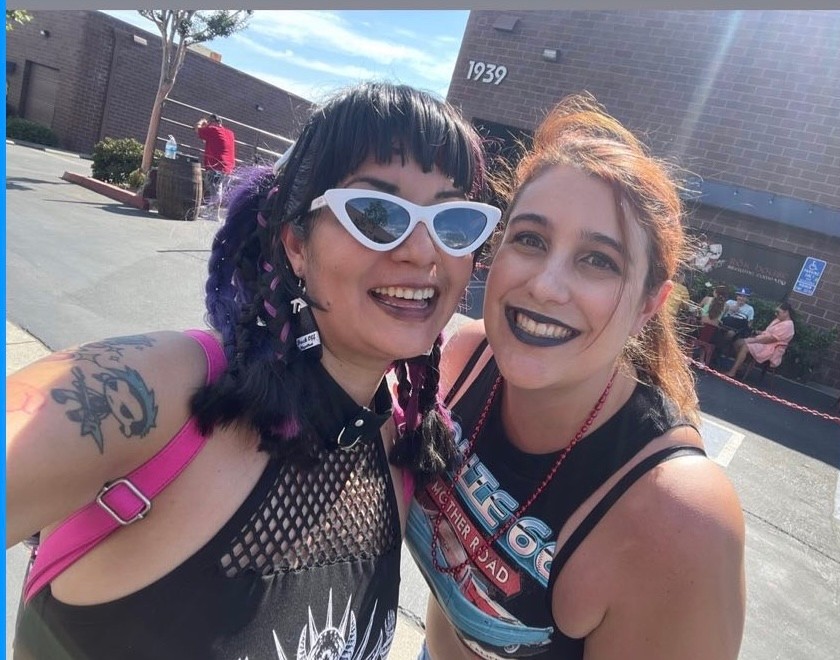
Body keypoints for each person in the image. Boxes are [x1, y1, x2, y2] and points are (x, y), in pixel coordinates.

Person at [7, 82, 500, 659]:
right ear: (296, 244)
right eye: (376, 214)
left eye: (453, 221)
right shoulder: (162, 392)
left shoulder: (396, 442)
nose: (422, 251)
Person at [406, 93, 745, 659]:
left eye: (598, 260)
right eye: (530, 239)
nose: (545, 285)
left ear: (647, 306)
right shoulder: (463, 359)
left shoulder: (680, 520)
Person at [724, 302, 796, 378]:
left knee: (745, 346)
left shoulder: (788, 325)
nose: (776, 314)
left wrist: (753, 340)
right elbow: (768, 333)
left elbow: (771, 339)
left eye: (778, 312)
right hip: (763, 341)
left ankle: (733, 371)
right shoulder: (778, 320)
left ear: (786, 312)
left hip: (771, 348)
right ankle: (740, 365)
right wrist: (759, 333)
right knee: (737, 343)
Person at [195, 113, 236, 201]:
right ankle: (214, 208)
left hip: (217, 167)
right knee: (218, 191)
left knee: (214, 191)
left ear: (212, 122)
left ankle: (214, 209)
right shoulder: (230, 133)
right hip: (229, 168)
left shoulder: (213, 129)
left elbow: (198, 130)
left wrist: (201, 122)